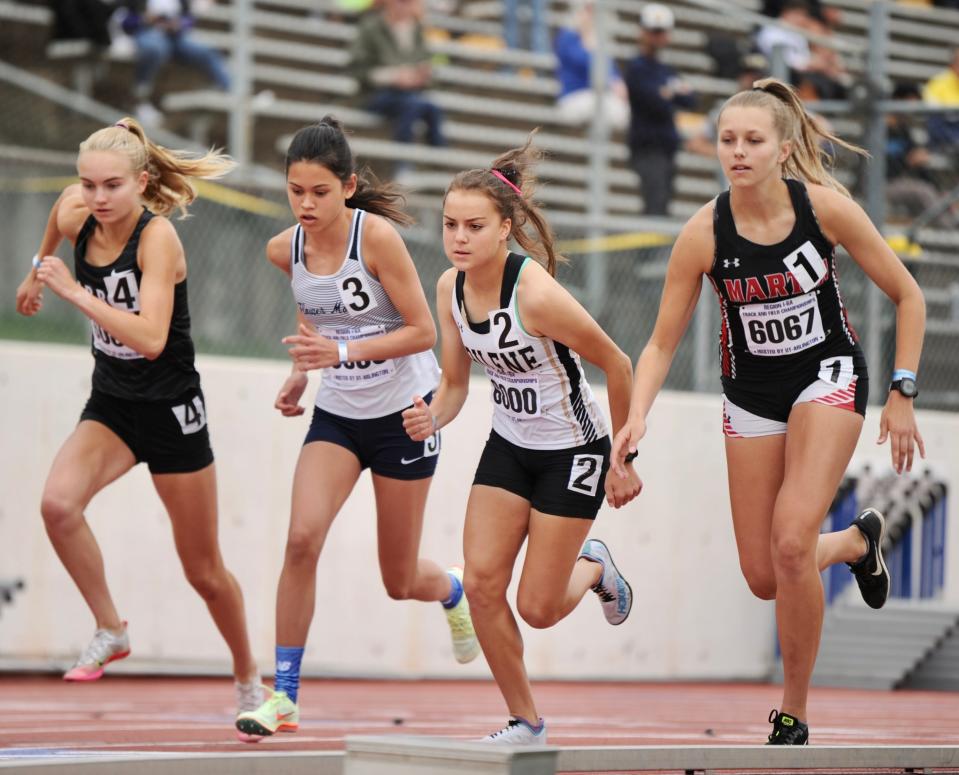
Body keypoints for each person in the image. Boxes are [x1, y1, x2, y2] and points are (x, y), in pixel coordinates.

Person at [611, 78, 926, 745]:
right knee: (764, 574)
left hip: (826, 373)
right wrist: (637, 415)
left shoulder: (824, 210)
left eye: (752, 140)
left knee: (788, 540)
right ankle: (851, 544)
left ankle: (793, 708)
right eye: (727, 140)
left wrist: (902, 390)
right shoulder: (702, 233)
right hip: (750, 393)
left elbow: (907, 295)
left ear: (783, 148)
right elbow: (661, 340)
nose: (737, 151)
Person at [13, 117, 263, 739]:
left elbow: (152, 339)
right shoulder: (78, 211)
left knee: (203, 570)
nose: (97, 198)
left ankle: (249, 680)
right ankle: (112, 629)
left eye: (112, 186)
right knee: (57, 505)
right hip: (114, 405)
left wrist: (71, 290)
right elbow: (57, 218)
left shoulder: (158, 243)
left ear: (142, 183)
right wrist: (34, 271)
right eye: (89, 184)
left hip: (172, 411)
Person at [234, 117, 477, 741]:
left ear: (346, 186)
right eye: (295, 191)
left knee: (399, 580)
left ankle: (452, 589)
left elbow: (423, 331)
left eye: (318, 191)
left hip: (404, 415)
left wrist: (339, 356)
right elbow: (316, 313)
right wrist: (300, 371)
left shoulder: (377, 241)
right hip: (339, 415)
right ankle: (283, 696)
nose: (306, 204)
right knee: (301, 540)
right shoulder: (282, 248)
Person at [402, 135, 642, 745]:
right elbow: (456, 385)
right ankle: (526, 722)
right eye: (451, 224)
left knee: (537, 607)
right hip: (509, 446)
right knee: (482, 585)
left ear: (504, 229)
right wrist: (433, 415)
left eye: (473, 226)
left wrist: (622, 457)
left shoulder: (533, 292)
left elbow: (617, 363)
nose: (458, 237)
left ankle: (593, 568)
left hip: (573, 451)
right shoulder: (448, 290)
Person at [349, 0, 446, 162]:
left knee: (431, 109)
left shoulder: (417, 29)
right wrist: (393, 76)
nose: (404, 6)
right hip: (375, 94)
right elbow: (358, 68)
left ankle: (438, 161)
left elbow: (428, 69)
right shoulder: (371, 27)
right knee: (414, 106)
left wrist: (420, 76)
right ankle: (403, 163)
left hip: (409, 95)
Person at [623, 3, 696, 216]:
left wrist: (668, 92)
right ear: (643, 32)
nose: (658, 36)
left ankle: (654, 249)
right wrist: (672, 92)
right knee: (655, 204)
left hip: (665, 147)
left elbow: (691, 100)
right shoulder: (637, 67)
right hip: (647, 147)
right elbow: (655, 102)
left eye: (661, 31)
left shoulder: (665, 69)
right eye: (654, 31)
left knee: (662, 204)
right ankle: (646, 250)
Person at [120, 0, 232, 128]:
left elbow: (189, 20)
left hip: (176, 38)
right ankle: (139, 98)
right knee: (155, 48)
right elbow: (124, 21)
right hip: (148, 34)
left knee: (205, 51)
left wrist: (178, 25)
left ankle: (230, 88)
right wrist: (144, 20)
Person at [553, 0, 629, 132]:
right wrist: (588, 40)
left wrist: (616, 82)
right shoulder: (568, 36)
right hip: (572, 98)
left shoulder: (599, 41)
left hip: (598, 98)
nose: (591, 15)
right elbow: (582, 62)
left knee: (618, 107)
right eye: (587, 9)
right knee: (602, 104)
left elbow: (613, 73)